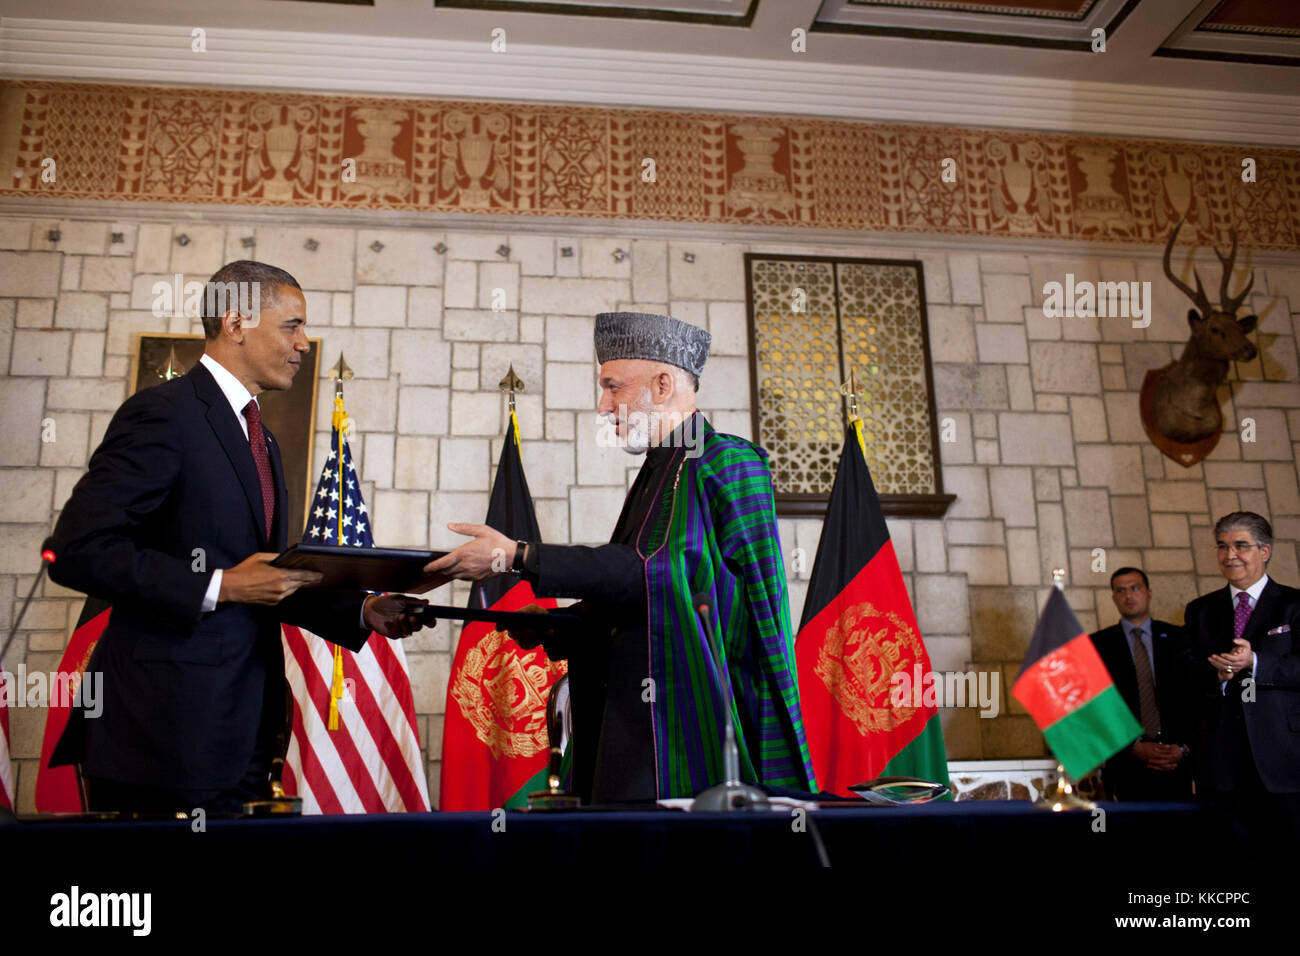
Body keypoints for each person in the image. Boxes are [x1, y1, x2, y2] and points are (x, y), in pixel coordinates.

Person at [48, 260, 423, 815]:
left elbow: (267, 579)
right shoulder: (163, 414)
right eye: (291, 326)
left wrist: (362, 611)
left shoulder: (262, 439)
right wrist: (218, 585)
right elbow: (77, 552)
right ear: (236, 323)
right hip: (162, 740)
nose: (304, 344)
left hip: (245, 735)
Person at [428, 311, 816, 804]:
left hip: (692, 726)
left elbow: (663, 574)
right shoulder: (658, 471)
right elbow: (640, 593)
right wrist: (562, 625)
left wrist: (518, 555)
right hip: (628, 725)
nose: (603, 406)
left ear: (661, 384)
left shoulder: (726, 461)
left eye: (613, 387)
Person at [1183, 511, 1300, 836]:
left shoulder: (1294, 604)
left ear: (1265, 551)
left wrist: (1256, 662)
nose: (1229, 555)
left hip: (1284, 762)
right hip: (1220, 764)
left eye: (1241, 546)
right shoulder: (1200, 610)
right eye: (1222, 546)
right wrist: (1218, 677)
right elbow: (1186, 675)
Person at [1088, 567, 1194, 800]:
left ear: (1148, 592)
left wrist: (1183, 747)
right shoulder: (1097, 645)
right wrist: (1133, 746)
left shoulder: (1180, 638)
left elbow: (1196, 697)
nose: (1129, 595)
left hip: (1178, 761)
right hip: (1126, 764)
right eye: (1121, 590)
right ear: (1114, 598)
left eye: (1135, 588)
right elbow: (1095, 706)